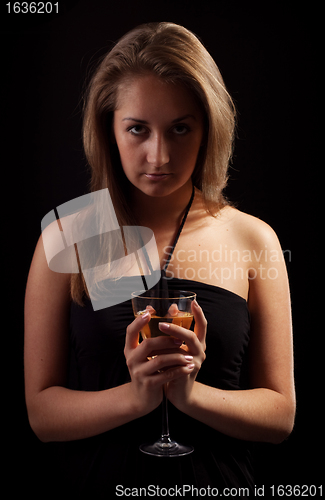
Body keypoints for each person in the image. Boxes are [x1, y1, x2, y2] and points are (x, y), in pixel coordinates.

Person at [24, 22, 295, 497]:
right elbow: (43, 416)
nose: (159, 155)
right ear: (109, 127)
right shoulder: (69, 234)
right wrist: (136, 398)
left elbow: (280, 415)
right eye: (137, 129)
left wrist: (190, 395)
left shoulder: (253, 238)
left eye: (180, 128)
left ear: (208, 127)